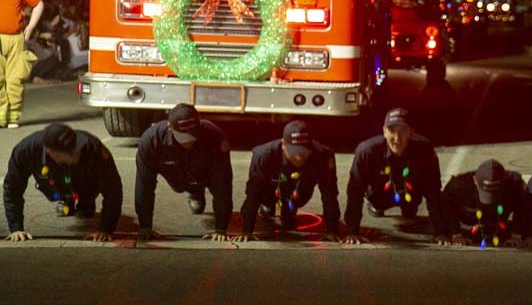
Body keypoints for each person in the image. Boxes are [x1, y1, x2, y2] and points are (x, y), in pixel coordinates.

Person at [4, 122, 122, 242]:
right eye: (72, 152)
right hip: (52, 179)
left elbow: (113, 189)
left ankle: (86, 201)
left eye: (77, 146)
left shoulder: (92, 146)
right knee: (56, 183)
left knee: (86, 197)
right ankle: (66, 199)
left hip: (84, 179)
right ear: (51, 152)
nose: (78, 152)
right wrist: (16, 228)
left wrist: (105, 229)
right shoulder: (26, 151)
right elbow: (13, 189)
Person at [342, 108, 444, 244]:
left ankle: (408, 207)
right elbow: (355, 192)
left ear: (412, 132)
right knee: (377, 204)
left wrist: (442, 232)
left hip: (410, 193)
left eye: (403, 131)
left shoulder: (425, 149)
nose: (397, 138)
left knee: (411, 211)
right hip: (379, 194)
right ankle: (376, 205)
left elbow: (434, 192)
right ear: (384, 131)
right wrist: (352, 232)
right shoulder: (366, 151)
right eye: (392, 131)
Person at [134, 103, 234, 242]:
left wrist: (221, 229)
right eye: (184, 136)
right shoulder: (151, 140)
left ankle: (197, 190)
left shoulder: (215, 136)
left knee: (214, 180)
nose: (189, 142)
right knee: (177, 184)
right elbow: (144, 185)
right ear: (170, 127)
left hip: (203, 175)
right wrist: (145, 226)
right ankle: (194, 191)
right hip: (175, 175)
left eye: (193, 135)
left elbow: (222, 185)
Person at [234, 120, 341, 241]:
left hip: (299, 190)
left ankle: (290, 208)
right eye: (294, 152)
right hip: (269, 188)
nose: (299, 157)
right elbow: (253, 192)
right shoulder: (264, 155)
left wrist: (332, 230)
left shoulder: (324, 155)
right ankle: (267, 205)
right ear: (283, 145)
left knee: (291, 210)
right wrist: (246, 230)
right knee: (263, 200)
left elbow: (330, 194)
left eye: (304, 152)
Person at [434, 159, 532, 248]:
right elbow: (443, 207)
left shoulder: (515, 183)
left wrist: (519, 235)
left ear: (505, 180)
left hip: (498, 217)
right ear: (475, 180)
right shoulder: (458, 185)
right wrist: (454, 234)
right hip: (469, 219)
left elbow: (526, 208)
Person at [0, 0, 44, 128]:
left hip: (16, 39)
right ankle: (1, 115)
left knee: (15, 79)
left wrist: (31, 27)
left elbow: (39, 4)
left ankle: (13, 116)